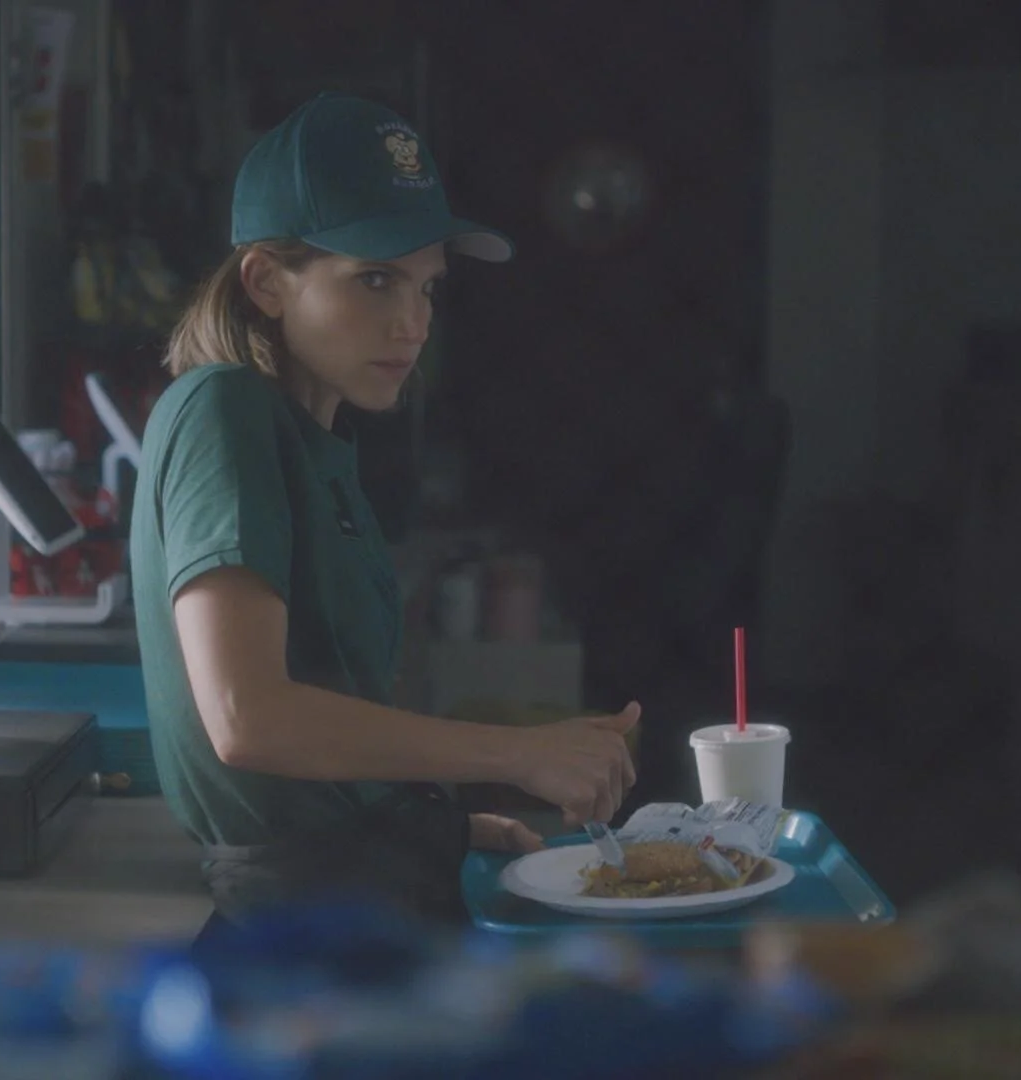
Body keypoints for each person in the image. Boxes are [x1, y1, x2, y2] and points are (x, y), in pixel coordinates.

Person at [129, 92, 642, 929]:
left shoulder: (316, 443)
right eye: (374, 278)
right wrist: (519, 752)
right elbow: (246, 718)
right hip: (301, 925)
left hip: (364, 872)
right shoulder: (221, 409)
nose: (412, 322)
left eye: (426, 286)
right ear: (265, 280)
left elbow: (324, 727)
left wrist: (439, 823)